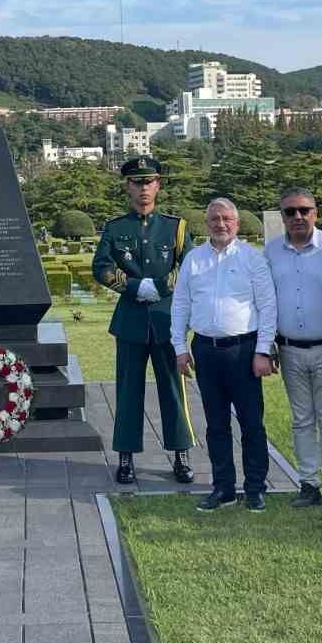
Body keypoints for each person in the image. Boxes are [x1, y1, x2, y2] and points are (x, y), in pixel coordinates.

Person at [92, 156, 196, 484]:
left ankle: (181, 454)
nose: (143, 189)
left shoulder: (175, 226)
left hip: (167, 320)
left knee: (173, 389)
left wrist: (163, 285)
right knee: (128, 391)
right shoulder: (115, 227)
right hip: (131, 321)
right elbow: (101, 267)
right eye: (137, 182)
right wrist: (136, 286)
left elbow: (189, 266)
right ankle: (125, 457)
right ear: (127, 186)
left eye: (149, 182)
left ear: (159, 185)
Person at [171, 197, 277, 513]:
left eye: (227, 219)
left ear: (237, 223)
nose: (221, 224)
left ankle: (255, 487)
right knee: (216, 425)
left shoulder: (252, 258)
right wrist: (179, 347)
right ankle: (223, 488)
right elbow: (180, 305)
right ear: (207, 224)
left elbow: (268, 308)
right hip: (206, 351)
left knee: (251, 424)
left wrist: (263, 352)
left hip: (244, 351)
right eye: (215, 219)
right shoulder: (193, 260)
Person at [265, 187, 322, 508]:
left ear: (316, 212)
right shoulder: (271, 252)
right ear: (283, 216)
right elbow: (267, 303)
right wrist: (268, 345)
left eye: (304, 210)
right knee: (301, 418)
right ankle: (307, 483)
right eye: (290, 212)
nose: (298, 217)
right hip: (289, 349)